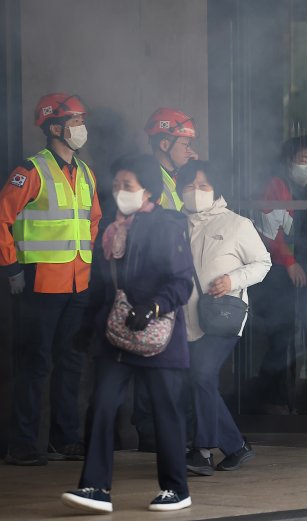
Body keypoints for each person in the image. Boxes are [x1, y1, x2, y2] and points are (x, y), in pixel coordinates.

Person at [61, 154, 194, 513]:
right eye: (117, 185)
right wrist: (86, 327)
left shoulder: (166, 226)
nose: (120, 191)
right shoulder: (111, 229)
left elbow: (182, 284)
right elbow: (101, 287)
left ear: (147, 190)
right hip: (115, 335)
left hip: (158, 337)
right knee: (101, 406)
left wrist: (151, 307)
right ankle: (95, 488)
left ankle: (176, 489)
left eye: (128, 186)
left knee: (165, 411)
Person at [1, 93, 102, 465]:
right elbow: (1, 218)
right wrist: (11, 267)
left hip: (78, 283)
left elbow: (93, 221)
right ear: (55, 127)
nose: (80, 128)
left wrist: (89, 262)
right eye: (75, 121)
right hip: (39, 284)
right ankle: (23, 444)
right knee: (35, 363)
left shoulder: (87, 173)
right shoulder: (30, 170)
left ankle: (65, 438)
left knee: (72, 362)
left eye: (80, 120)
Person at [178, 160, 270, 475]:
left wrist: (233, 280)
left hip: (222, 317)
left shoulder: (237, 224)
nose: (195, 192)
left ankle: (202, 450)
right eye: (189, 186)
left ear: (216, 188)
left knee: (202, 376)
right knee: (199, 380)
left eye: (203, 186)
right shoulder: (176, 224)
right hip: (184, 317)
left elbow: (263, 262)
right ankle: (235, 447)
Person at [251, 135, 307, 413]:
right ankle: (271, 393)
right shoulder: (277, 186)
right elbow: (268, 229)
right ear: (290, 160)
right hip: (281, 275)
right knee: (284, 334)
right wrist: (288, 262)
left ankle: (282, 392)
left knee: (302, 332)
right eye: (304, 160)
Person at [132, 107, 198, 450]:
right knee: (149, 357)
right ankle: (148, 431)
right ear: (163, 141)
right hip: (154, 283)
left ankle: (169, 430)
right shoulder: (148, 178)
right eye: (184, 142)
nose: (190, 150)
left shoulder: (178, 180)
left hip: (175, 282)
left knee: (171, 361)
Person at [144, 107, 198, 211]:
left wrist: (193, 172)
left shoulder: (176, 175)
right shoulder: (149, 183)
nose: (190, 151)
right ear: (165, 145)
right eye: (186, 144)